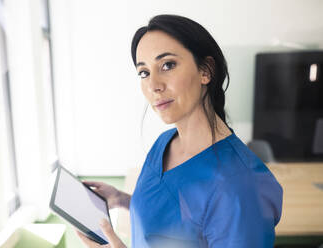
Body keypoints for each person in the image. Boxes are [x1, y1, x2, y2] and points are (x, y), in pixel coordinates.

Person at [76, 14, 283, 248]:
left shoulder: (240, 187)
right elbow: (181, 222)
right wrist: (122, 200)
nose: (153, 85)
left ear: (206, 71)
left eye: (167, 65)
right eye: (144, 72)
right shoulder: (164, 144)